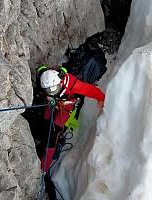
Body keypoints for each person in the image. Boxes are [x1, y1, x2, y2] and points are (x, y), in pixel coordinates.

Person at [37, 66, 105, 199]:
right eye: (47, 90)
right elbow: (41, 70)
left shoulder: (73, 85)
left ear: (60, 83)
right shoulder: (46, 77)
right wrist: (49, 96)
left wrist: (101, 98)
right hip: (54, 103)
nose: (50, 91)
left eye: (52, 89)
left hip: (65, 108)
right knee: (45, 121)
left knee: (53, 133)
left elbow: (91, 90)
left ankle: (44, 166)